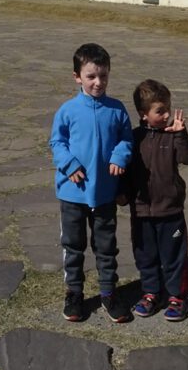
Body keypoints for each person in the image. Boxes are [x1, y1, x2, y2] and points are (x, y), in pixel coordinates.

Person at [50, 43, 134, 323]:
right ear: (77, 77)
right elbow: (57, 142)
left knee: (106, 246)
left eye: (104, 76)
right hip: (73, 194)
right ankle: (74, 292)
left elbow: (126, 139)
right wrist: (70, 164)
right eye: (91, 77)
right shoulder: (68, 110)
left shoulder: (117, 110)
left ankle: (109, 292)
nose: (98, 82)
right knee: (74, 246)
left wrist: (120, 156)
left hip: (105, 192)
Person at [125, 79, 188, 322]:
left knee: (174, 256)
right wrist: (122, 194)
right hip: (142, 211)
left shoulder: (172, 136)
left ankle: (178, 297)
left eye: (168, 108)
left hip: (170, 211)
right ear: (143, 114)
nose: (167, 114)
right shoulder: (134, 139)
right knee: (145, 255)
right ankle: (150, 293)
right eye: (160, 111)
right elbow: (125, 169)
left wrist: (181, 134)